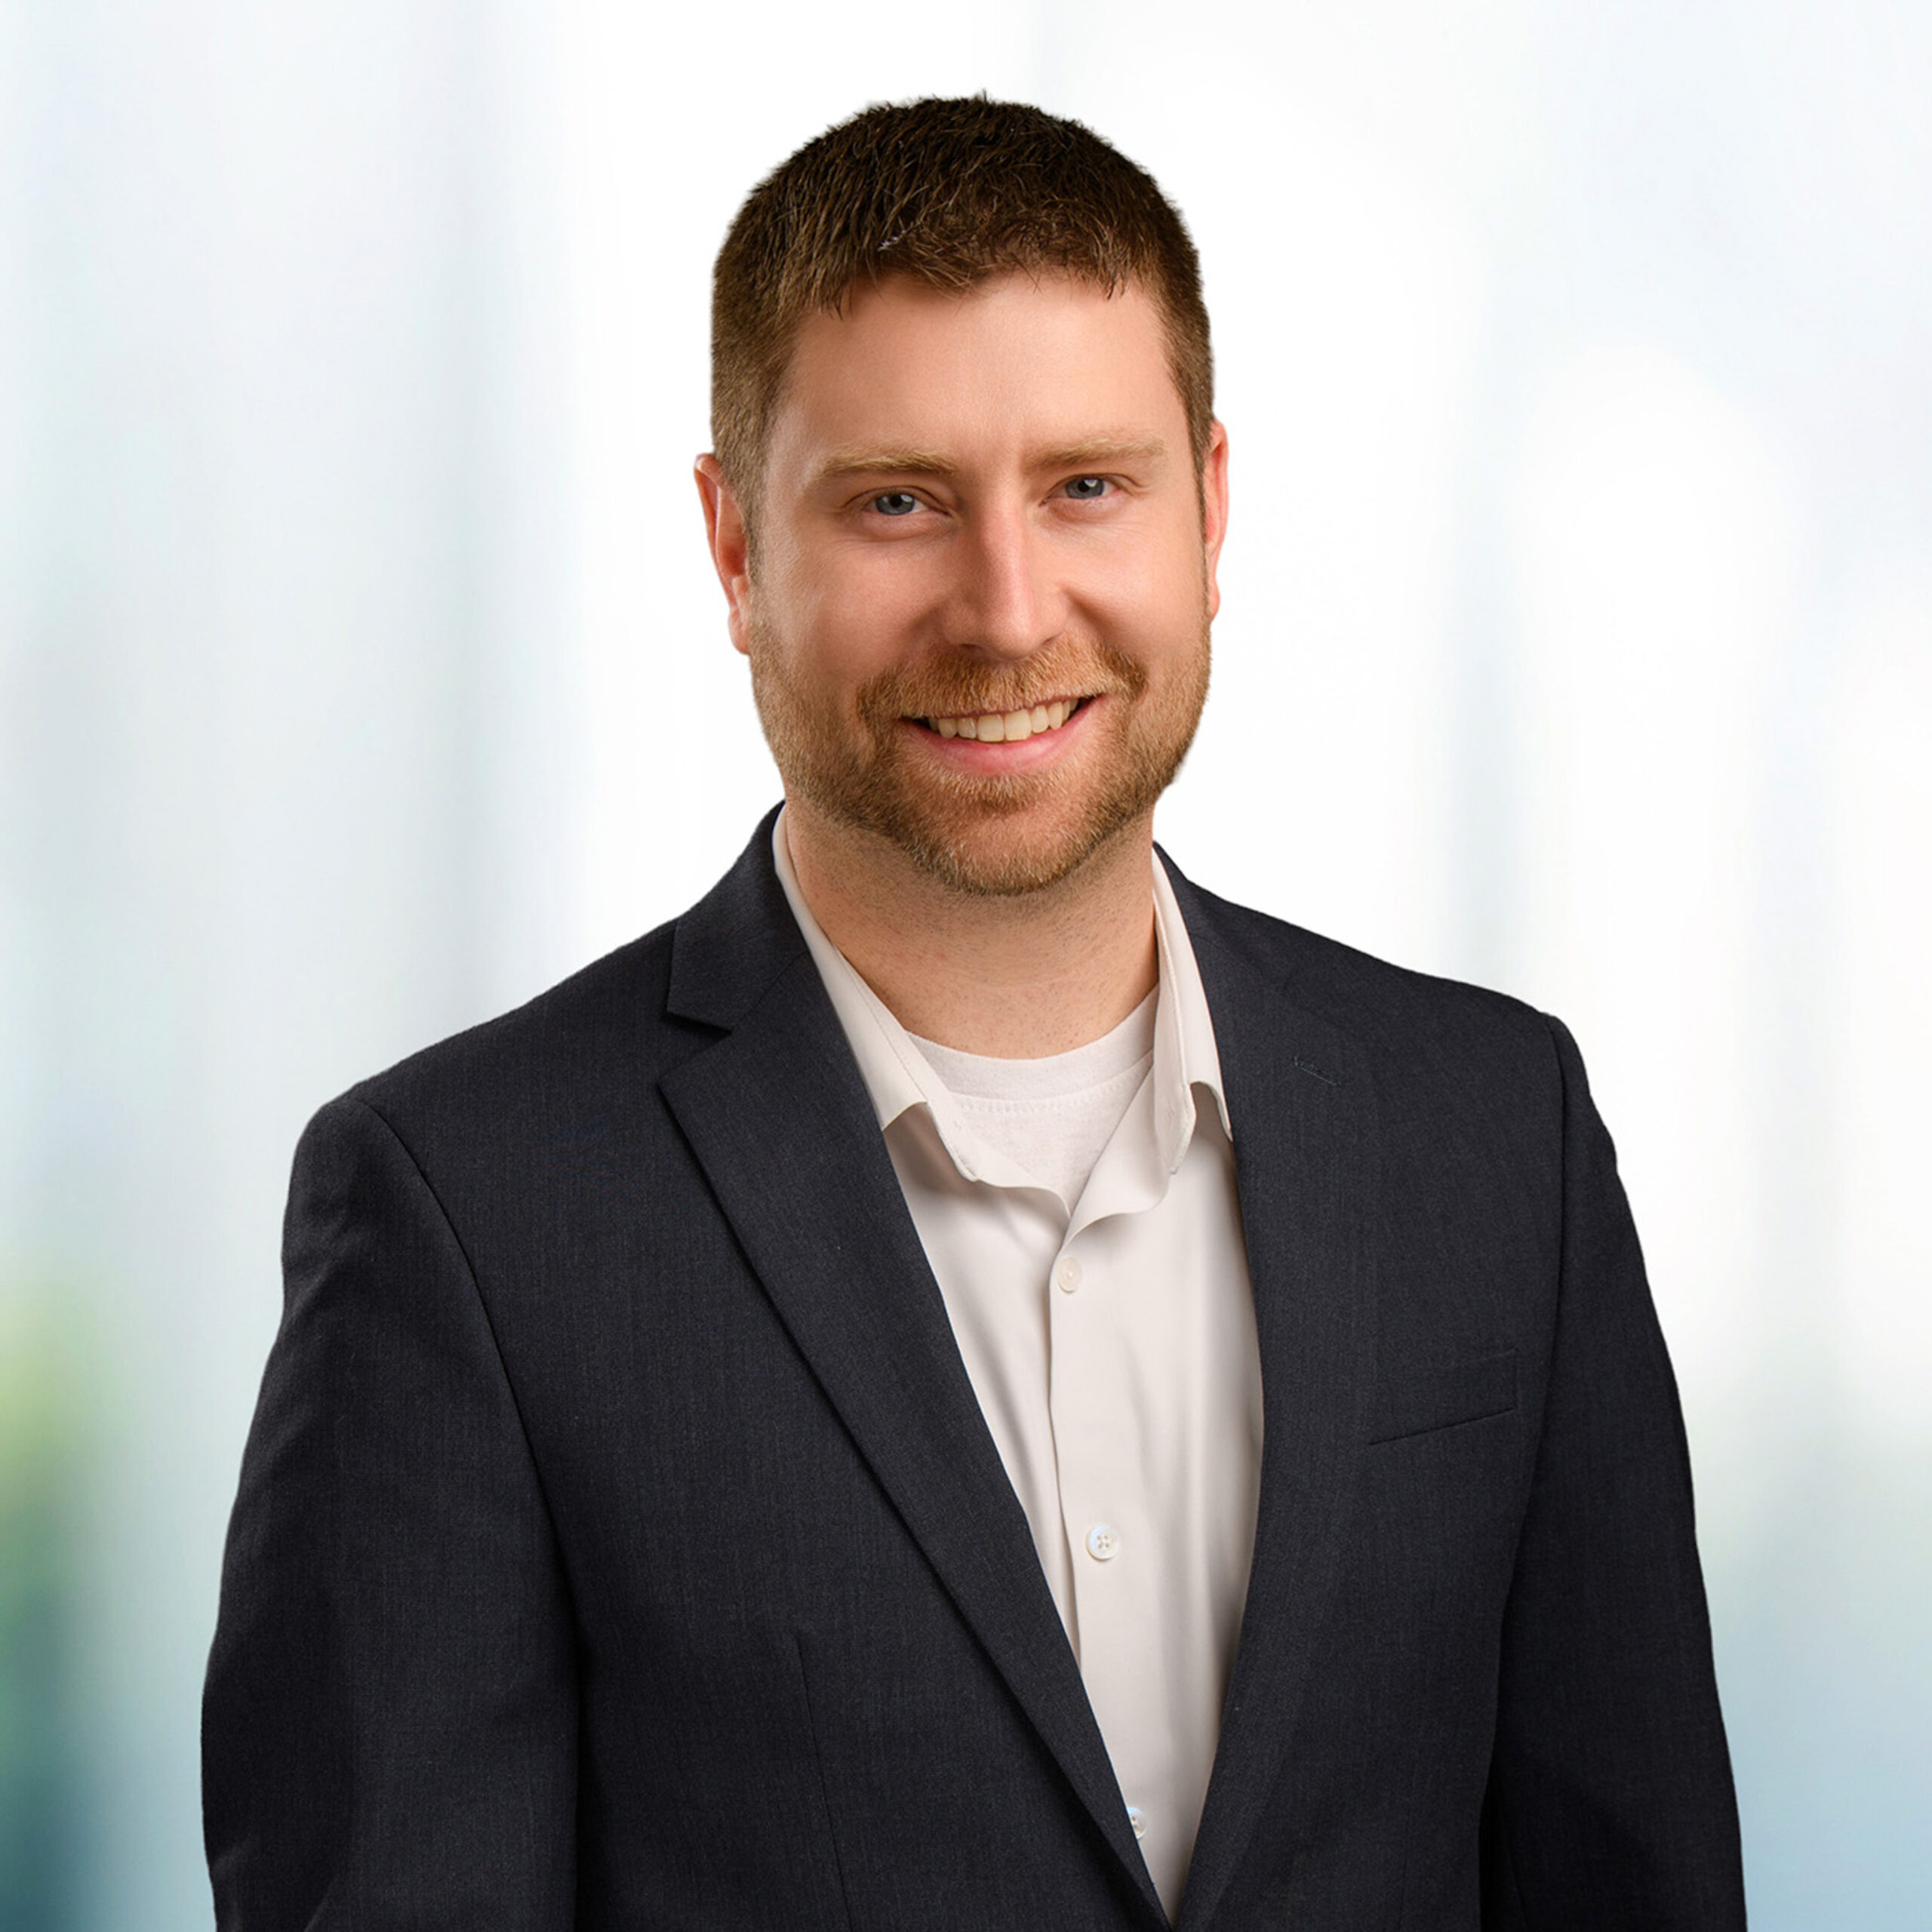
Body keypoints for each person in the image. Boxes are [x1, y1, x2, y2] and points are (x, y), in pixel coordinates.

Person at [203, 96, 1747, 1930]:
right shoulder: (465, 1212)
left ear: (1211, 506)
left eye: (1086, 484)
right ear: (731, 548)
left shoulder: (1496, 1132)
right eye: (896, 502)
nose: (1008, 611)